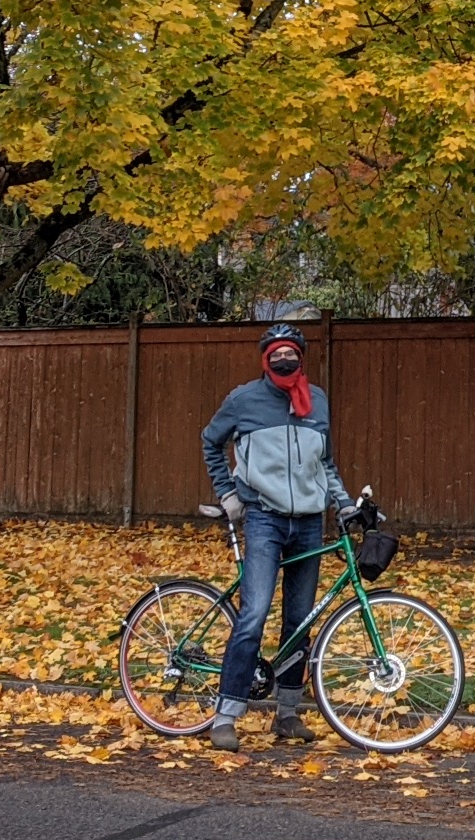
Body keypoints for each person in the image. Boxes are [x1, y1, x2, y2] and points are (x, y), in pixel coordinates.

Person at [201, 322, 358, 752]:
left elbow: (325, 463)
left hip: (309, 523)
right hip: (264, 519)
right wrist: (228, 494)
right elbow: (211, 442)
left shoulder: (317, 400)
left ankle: (287, 714)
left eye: (291, 354)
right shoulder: (244, 400)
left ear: (301, 358)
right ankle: (226, 716)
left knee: (299, 621)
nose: (284, 360)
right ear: (266, 359)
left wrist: (344, 504)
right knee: (253, 615)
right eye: (277, 355)